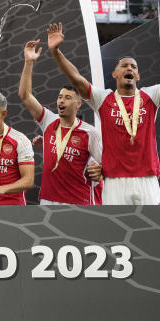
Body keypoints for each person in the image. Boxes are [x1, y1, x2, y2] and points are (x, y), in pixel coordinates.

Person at [47, 23, 160, 205]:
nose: (129, 68)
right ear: (114, 74)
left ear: (138, 75)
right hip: (114, 182)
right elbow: (76, 78)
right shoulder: (102, 98)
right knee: (118, 231)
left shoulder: (151, 95)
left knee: (151, 230)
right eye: (124, 66)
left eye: (133, 67)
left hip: (147, 180)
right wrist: (56, 52)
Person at [19, 40, 104, 205]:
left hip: (77, 201)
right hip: (48, 199)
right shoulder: (49, 121)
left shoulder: (89, 133)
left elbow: (106, 164)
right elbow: (25, 95)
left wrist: (100, 169)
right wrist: (28, 62)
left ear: (78, 104)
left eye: (67, 98)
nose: (61, 101)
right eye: (59, 97)